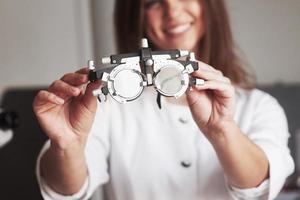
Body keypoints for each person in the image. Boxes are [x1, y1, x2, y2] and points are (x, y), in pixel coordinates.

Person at [33, 0, 294, 199]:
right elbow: (65, 190)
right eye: (153, 2)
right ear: (136, 16)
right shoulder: (106, 106)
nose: (172, 11)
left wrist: (223, 130)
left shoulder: (259, 106)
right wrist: (67, 145)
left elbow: (257, 188)